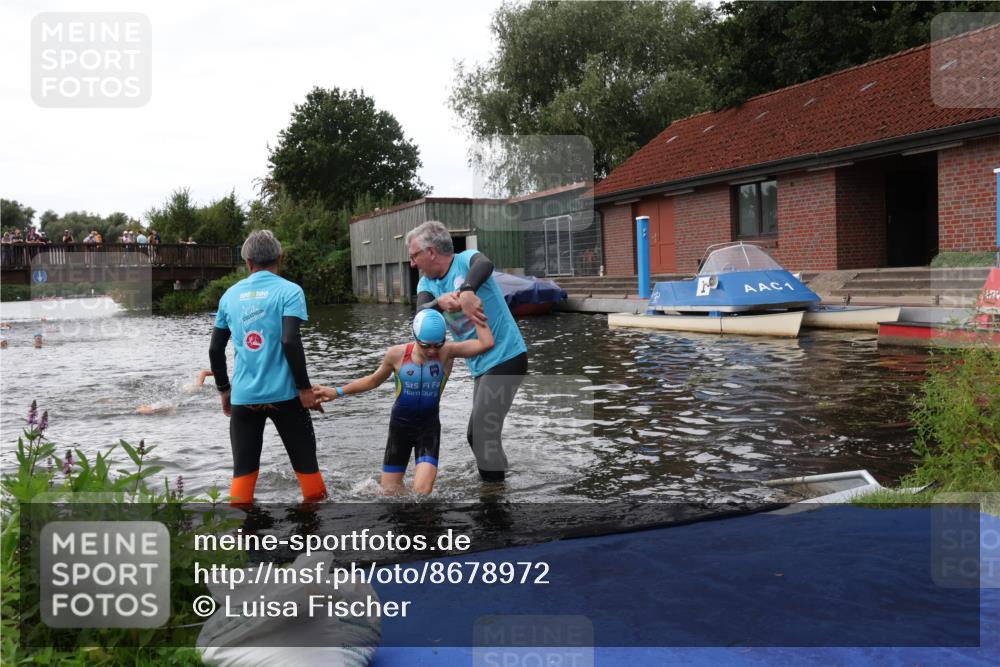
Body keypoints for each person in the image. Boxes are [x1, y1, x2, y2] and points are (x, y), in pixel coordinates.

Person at [314, 309, 494, 495]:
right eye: (426, 345)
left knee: (422, 493)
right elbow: (373, 381)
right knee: (390, 493)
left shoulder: (448, 352)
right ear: (415, 337)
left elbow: (486, 343)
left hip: (428, 428)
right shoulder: (397, 355)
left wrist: (475, 312)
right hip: (399, 428)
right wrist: (337, 391)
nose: (432, 351)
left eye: (437, 345)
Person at [208, 230, 325, 504]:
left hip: (244, 398)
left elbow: (215, 350)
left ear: (247, 262)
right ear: (279, 258)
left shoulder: (229, 296)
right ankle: (316, 539)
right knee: (309, 477)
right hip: (287, 397)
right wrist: (304, 389)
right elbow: (289, 340)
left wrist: (225, 390)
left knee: (243, 479)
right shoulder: (290, 292)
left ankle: (243, 541)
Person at [407, 221, 528, 483]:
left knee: (482, 432)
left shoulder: (465, 261)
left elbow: (485, 264)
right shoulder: (426, 284)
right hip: (481, 366)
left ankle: (495, 501)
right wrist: (439, 303)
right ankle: (501, 480)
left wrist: (466, 291)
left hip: (507, 356)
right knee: (479, 435)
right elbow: (420, 313)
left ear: (431, 252)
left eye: (414, 255)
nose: (412, 263)